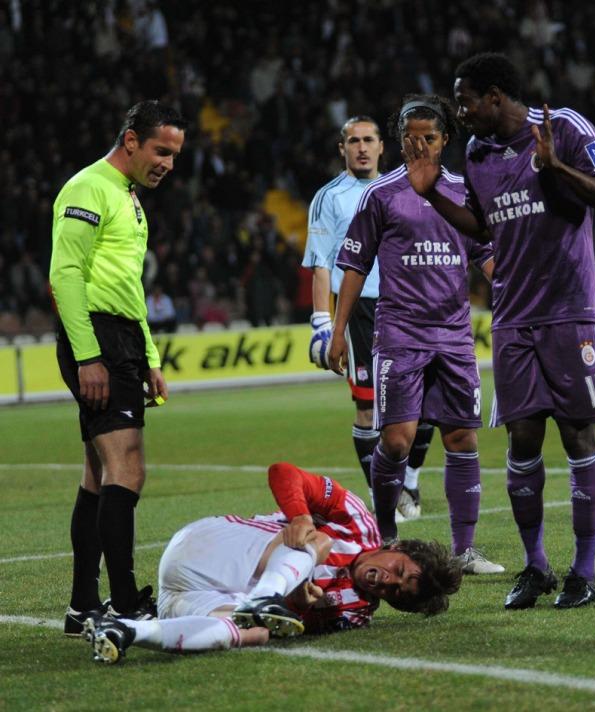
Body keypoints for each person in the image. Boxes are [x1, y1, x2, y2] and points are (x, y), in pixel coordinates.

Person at [402, 53, 595, 609]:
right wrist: (431, 194)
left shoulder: (562, 127)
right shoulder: (477, 152)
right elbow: (483, 226)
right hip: (513, 317)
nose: (460, 113)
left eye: (466, 101)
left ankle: (584, 571)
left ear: (495, 96)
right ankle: (537, 566)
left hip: (569, 310)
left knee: (577, 437)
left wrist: (557, 168)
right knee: (521, 440)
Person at [328, 95, 504, 577]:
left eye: (429, 137)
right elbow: (354, 265)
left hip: (454, 335)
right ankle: (385, 533)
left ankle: (464, 550)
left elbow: (486, 256)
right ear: (400, 141)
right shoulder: (381, 194)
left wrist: (513, 293)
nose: (420, 145)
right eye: (411, 138)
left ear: (445, 139)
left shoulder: (463, 192)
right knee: (397, 442)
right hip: (400, 333)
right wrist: (338, 330)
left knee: (462, 436)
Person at [83, 462, 462, 663]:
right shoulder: (358, 521)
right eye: (399, 570)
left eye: (397, 592)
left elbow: (292, 625)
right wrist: (301, 517)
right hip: (210, 549)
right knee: (319, 540)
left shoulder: (354, 613)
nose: (387, 581)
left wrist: (296, 602)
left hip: (184, 597)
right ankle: (264, 596)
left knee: (256, 633)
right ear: (399, 547)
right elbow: (283, 472)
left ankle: (126, 631)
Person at [50, 100, 187, 633]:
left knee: (99, 473)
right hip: (98, 338)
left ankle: (83, 604)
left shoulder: (129, 198)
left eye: (174, 156)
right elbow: (65, 275)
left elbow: (129, 287)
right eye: (161, 151)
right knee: (127, 468)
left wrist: (149, 357)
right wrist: (88, 356)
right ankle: (126, 604)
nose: (167, 164)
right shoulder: (88, 188)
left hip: (122, 338)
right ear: (131, 140)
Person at [302, 115, 434, 520]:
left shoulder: (401, 187)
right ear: (342, 148)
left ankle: (410, 478)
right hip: (358, 308)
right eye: (353, 141)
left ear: (381, 147)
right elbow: (321, 263)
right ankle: (384, 497)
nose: (361, 147)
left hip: (407, 303)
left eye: (368, 140)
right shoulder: (328, 197)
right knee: (367, 407)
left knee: (426, 401)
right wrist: (322, 323)